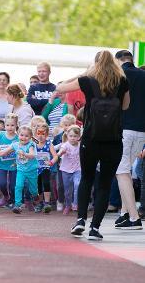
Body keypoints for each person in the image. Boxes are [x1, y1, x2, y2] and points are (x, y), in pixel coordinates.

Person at [53, 50, 130, 241]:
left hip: (90, 139)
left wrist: (83, 73)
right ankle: (95, 228)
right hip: (113, 140)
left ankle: (80, 220)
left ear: (95, 65)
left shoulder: (86, 81)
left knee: (87, 179)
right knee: (104, 183)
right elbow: (126, 106)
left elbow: (60, 87)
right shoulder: (121, 82)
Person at [114, 50, 145, 230]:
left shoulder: (119, 75)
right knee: (126, 170)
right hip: (142, 130)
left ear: (118, 61)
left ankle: (133, 217)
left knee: (121, 172)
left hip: (124, 129)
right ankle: (125, 213)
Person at [0, 126, 40, 214]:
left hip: (31, 170)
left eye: (26, 136)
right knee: (18, 186)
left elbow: (32, 155)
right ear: (18, 135)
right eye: (21, 135)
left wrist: (25, 154)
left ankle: (36, 199)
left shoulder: (31, 144)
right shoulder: (15, 145)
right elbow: (3, 152)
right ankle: (17, 205)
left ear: (30, 137)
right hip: (21, 170)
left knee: (33, 189)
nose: (23, 137)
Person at [0, 113, 19, 208]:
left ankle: (12, 200)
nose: (10, 127)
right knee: (2, 184)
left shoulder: (18, 137)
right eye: (7, 125)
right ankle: (6, 196)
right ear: (4, 126)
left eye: (12, 125)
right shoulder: (0, 135)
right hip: (2, 165)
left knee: (13, 186)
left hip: (14, 165)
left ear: (16, 125)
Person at [57, 125, 82, 215]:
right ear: (67, 136)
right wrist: (60, 153)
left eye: (75, 136)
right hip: (66, 170)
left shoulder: (80, 146)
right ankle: (68, 205)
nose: (72, 138)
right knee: (67, 191)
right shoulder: (65, 145)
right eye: (70, 136)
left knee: (77, 184)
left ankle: (75, 204)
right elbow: (60, 151)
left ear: (79, 137)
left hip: (77, 169)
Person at [34, 122, 57, 213]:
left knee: (46, 182)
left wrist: (51, 162)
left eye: (43, 134)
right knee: (37, 185)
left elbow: (55, 156)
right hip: (35, 168)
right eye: (38, 133)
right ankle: (40, 202)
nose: (40, 136)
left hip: (45, 167)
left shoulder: (49, 143)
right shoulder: (33, 143)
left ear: (47, 134)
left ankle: (47, 203)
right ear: (35, 134)